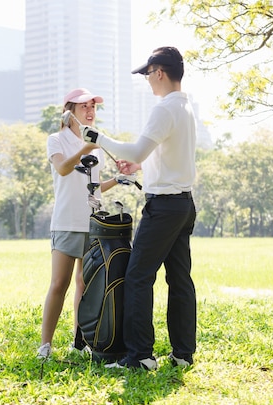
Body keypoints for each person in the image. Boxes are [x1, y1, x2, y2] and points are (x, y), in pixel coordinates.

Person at [80, 46, 197, 370]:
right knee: (180, 279)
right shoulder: (185, 109)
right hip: (184, 203)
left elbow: (135, 148)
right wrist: (139, 167)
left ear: (159, 71)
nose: (147, 81)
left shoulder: (164, 109)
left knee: (137, 277)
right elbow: (165, 157)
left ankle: (140, 356)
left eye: (147, 74)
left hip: (163, 207)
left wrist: (98, 137)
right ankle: (183, 354)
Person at [37, 88, 120, 359]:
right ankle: (45, 345)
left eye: (93, 107)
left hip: (93, 223)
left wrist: (118, 180)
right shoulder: (56, 140)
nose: (90, 111)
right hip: (65, 222)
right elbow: (62, 169)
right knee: (59, 283)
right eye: (84, 106)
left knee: (84, 284)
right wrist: (86, 148)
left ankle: (80, 341)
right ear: (70, 111)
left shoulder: (98, 145)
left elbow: (93, 188)